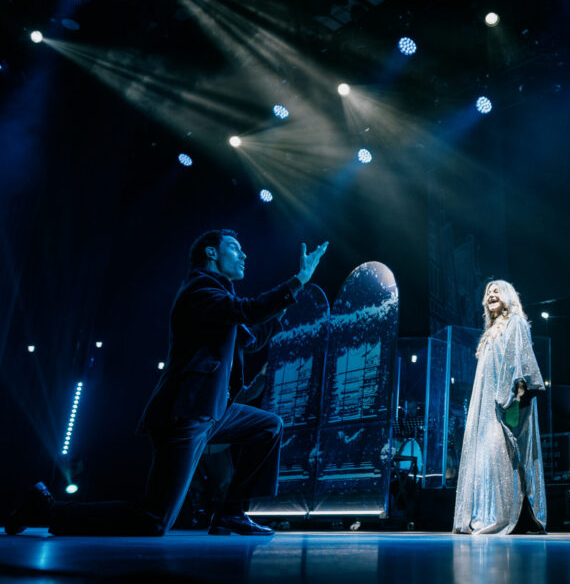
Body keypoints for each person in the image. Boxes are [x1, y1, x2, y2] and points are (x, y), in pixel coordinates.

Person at [5, 230, 328, 537]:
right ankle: (45, 510)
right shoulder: (199, 289)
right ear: (211, 253)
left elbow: (252, 338)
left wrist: (288, 304)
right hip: (186, 412)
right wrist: (297, 282)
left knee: (268, 426)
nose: (244, 254)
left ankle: (231, 513)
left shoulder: (220, 297)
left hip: (212, 410)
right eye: (234, 248)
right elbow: (247, 311)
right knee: (154, 519)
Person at [453, 281, 546, 535]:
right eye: (488, 293)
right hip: (487, 407)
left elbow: (521, 361)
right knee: (488, 456)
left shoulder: (515, 322)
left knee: (504, 452)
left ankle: (507, 514)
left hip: (508, 401)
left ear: (507, 296)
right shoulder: (491, 331)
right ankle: (488, 512)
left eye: (496, 291)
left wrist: (514, 399)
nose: (491, 295)